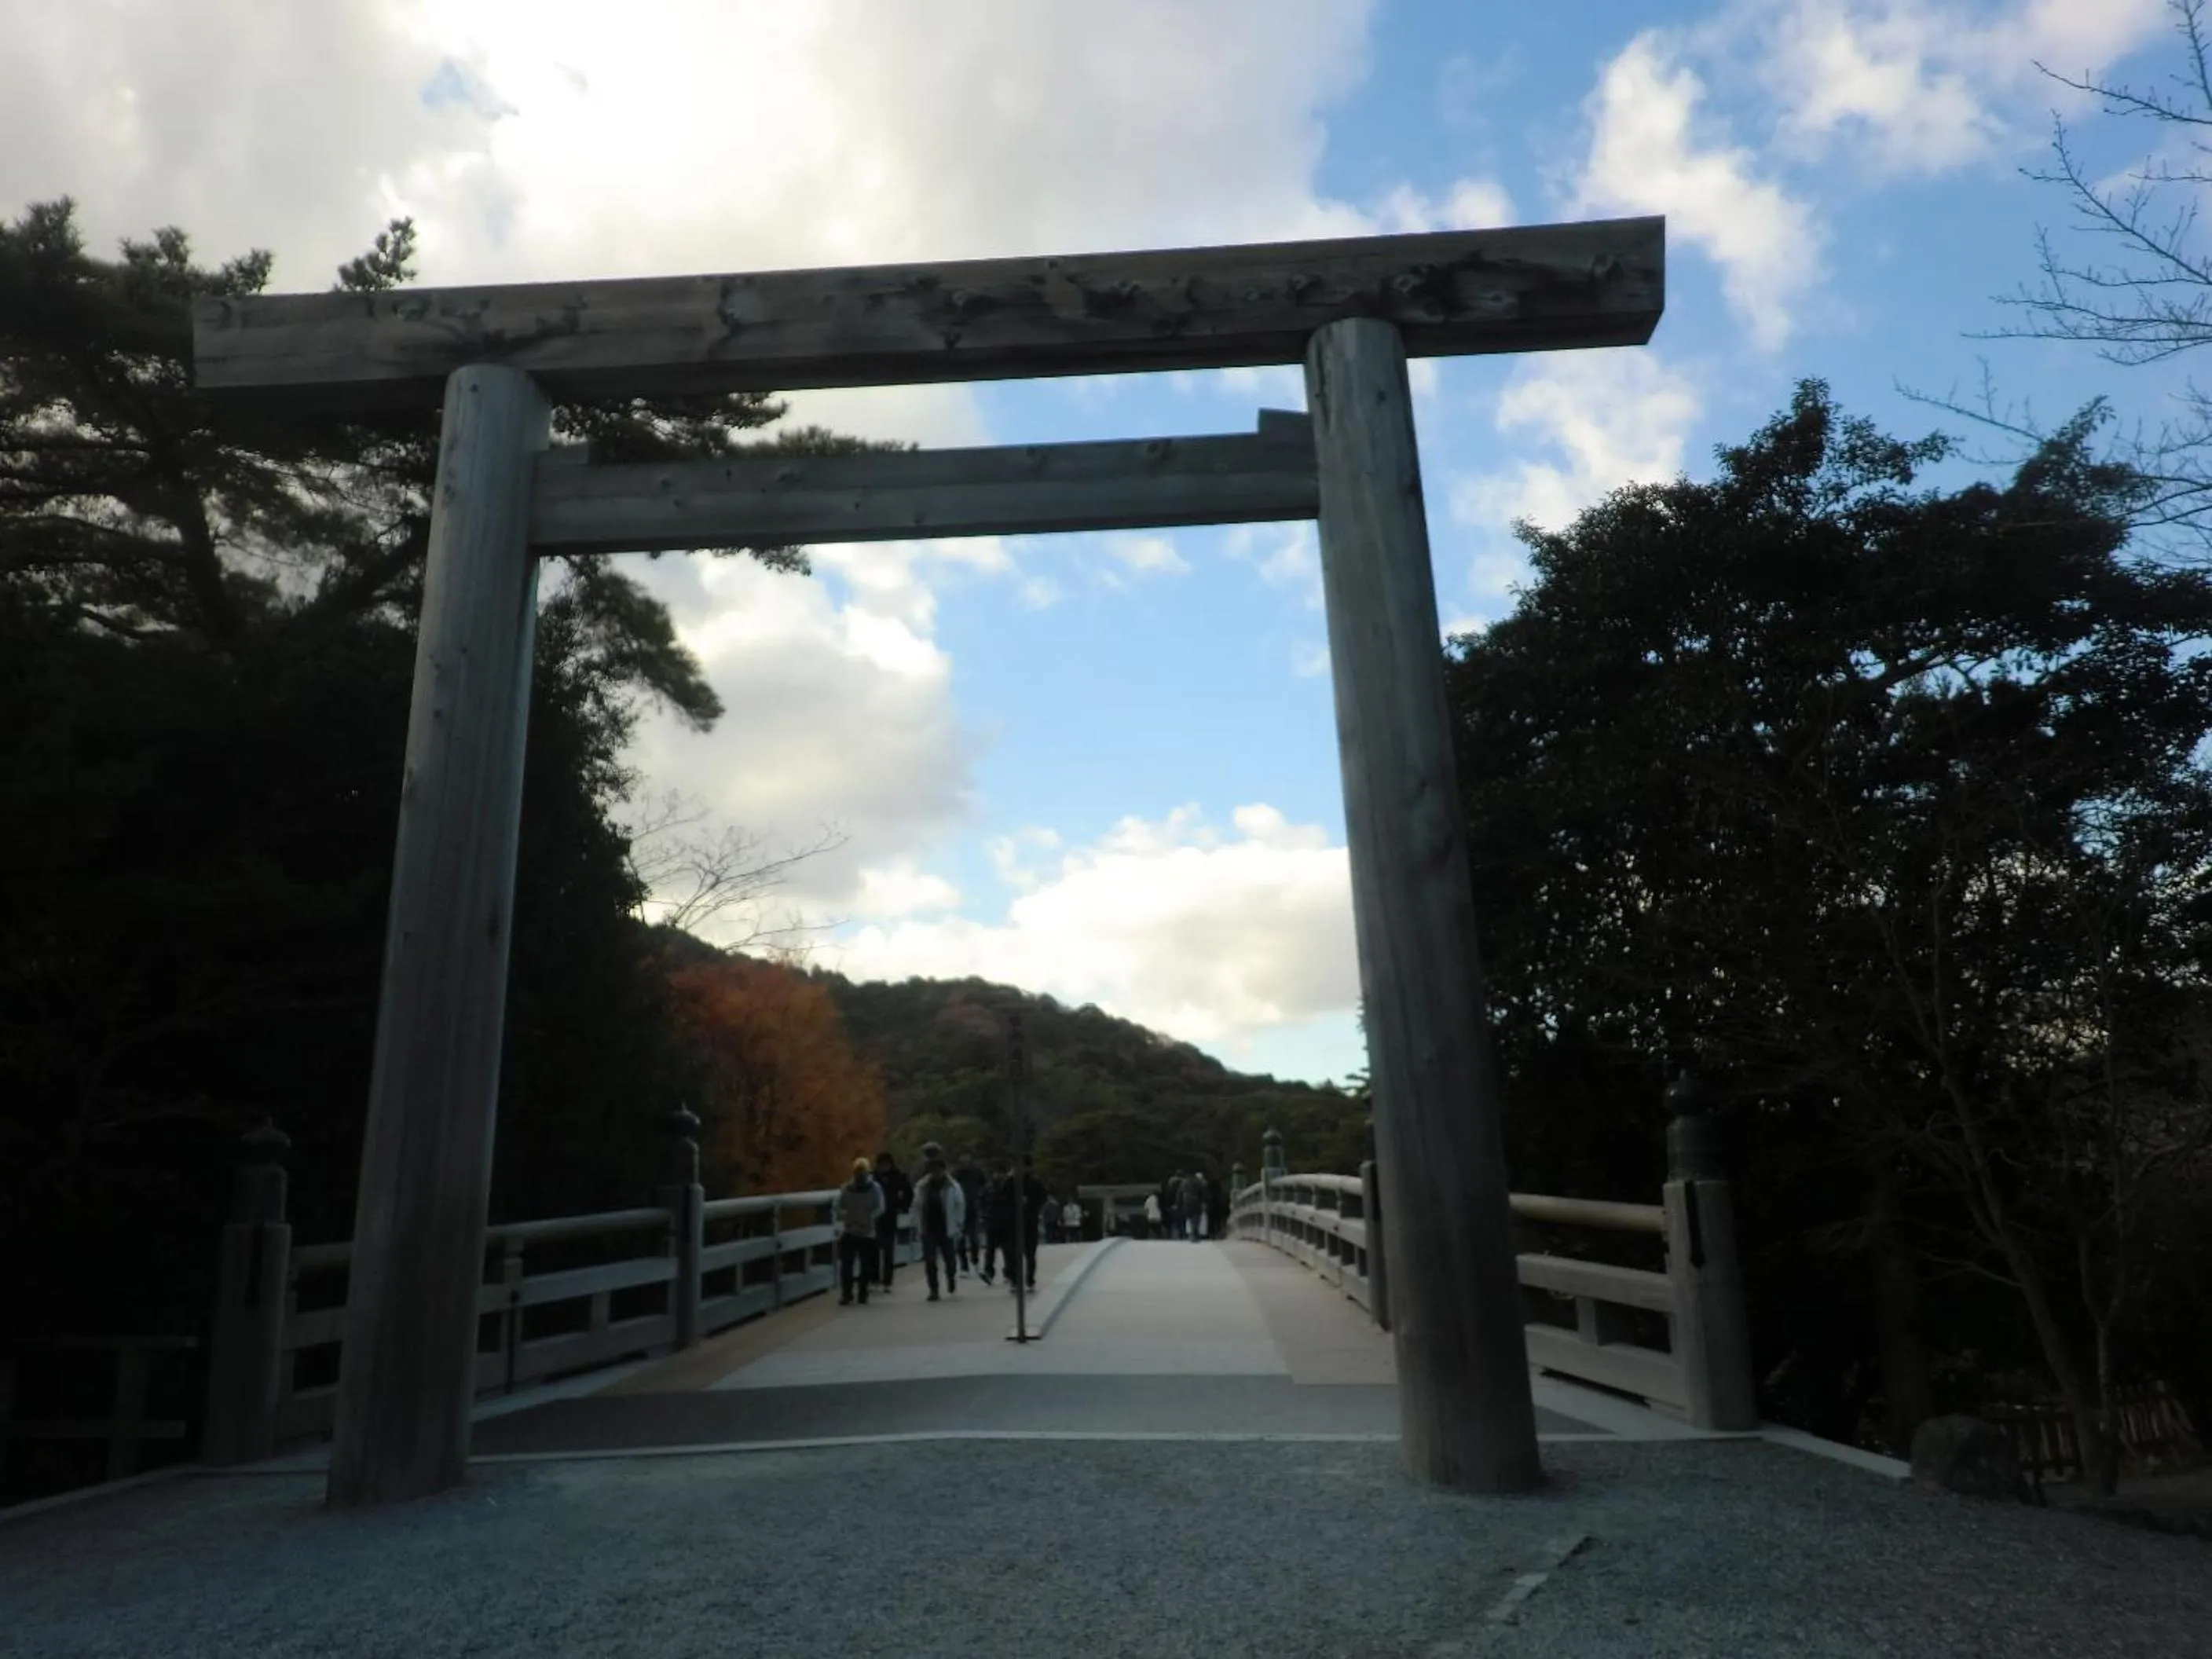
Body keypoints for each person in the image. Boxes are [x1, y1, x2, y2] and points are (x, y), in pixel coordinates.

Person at [913, 1152, 965, 1301]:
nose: (935, 1173)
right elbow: (916, 1207)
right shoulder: (922, 1187)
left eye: (938, 1170)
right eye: (933, 1170)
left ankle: (951, 1277)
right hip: (928, 1228)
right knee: (930, 1261)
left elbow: (960, 1206)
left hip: (947, 1228)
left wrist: (959, 1224)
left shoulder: (953, 1187)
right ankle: (933, 1290)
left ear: (944, 1170)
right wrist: (918, 1225)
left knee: (950, 1260)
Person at [836, 1157, 884, 1306]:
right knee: (847, 1265)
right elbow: (838, 1206)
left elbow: (880, 1207)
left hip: (866, 1231)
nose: (860, 1175)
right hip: (851, 1229)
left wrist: (870, 1217)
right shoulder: (847, 1189)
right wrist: (845, 1217)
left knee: (865, 1265)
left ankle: (862, 1293)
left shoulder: (874, 1188)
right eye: (858, 1172)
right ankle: (847, 1293)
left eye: (862, 1172)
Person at [873, 1150, 912, 1291]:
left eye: (885, 1165)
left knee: (889, 1250)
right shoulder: (873, 1177)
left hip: (890, 1215)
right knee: (874, 1248)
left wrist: (902, 1206)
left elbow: (908, 1192)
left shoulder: (898, 1176)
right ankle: (874, 1278)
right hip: (875, 1217)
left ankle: (887, 1280)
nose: (883, 1167)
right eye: (881, 1165)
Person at [1012, 1157, 1049, 1291]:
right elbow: (1003, 1196)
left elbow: (1043, 1198)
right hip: (1015, 1222)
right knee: (1015, 1254)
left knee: (1030, 1254)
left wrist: (1030, 1202)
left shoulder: (1035, 1183)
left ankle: (1030, 1280)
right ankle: (1015, 1281)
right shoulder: (1012, 1182)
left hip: (1030, 1221)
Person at [951, 1148, 987, 1274]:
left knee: (973, 1238)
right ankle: (964, 1265)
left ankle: (975, 1260)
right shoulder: (955, 1175)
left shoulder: (977, 1172)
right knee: (960, 1239)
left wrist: (980, 1199)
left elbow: (984, 1186)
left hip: (973, 1207)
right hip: (960, 1209)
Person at [980, 1161, 1016, 1287]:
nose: (998, 1175)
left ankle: (1009, 1274)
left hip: (1006, 1222)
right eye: (996, 1173)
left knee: (1008, 1250)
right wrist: (983, 1216)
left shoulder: (1008, 1187)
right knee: (990, 1250)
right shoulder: (988, 1187)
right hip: (991, 1221)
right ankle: (989, 1273)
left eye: (1000, 1173)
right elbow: (981, 1201)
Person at [1181, 1169, 1209, 1241]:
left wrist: (1179, 1204)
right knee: (1196, 1218)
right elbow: (1203, 1192)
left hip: (1186, 1200)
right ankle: (1195, 1234)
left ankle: (1192, 1234)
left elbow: (1179, 1193)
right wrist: (1206, 1201)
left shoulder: (1184, 1182)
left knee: (1190, 1218)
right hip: (1196, 1200)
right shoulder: (1198, 1182)